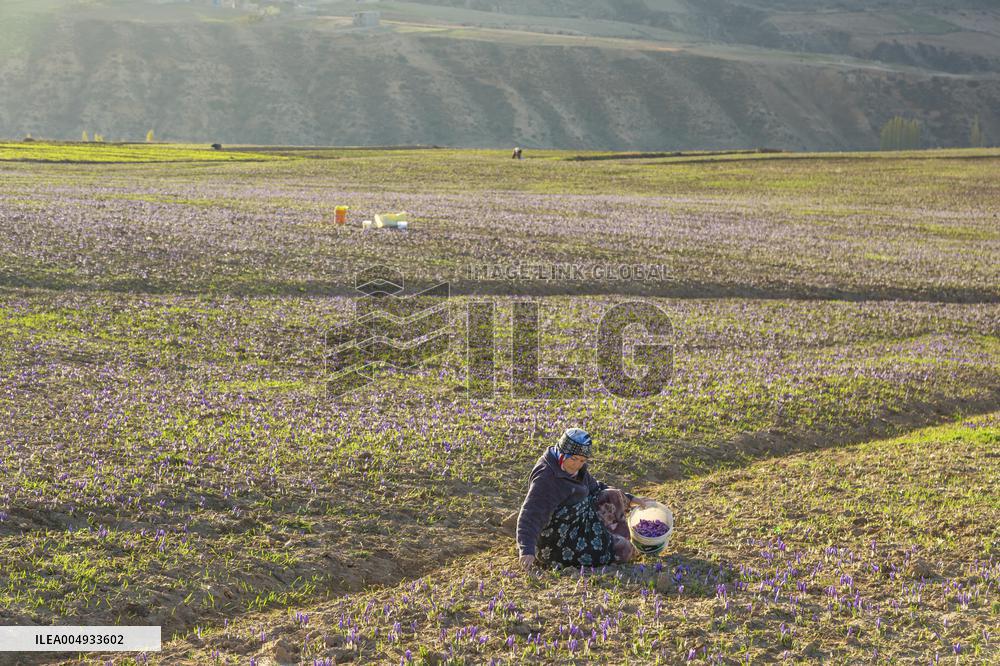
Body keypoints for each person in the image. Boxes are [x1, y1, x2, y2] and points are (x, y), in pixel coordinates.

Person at [516, 428, 654, 570]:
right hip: (559, 541)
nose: (576, 464)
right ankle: (613, 544)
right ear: (562, 452)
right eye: (573, 458)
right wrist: (527, 549)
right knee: (624, 551)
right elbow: (531, 513)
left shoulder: (577, 470)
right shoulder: (546, 478)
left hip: (580, 521)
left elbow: (595, 488)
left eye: (582, 460)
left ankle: (612, 539)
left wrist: (630, 499)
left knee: (613, 495)